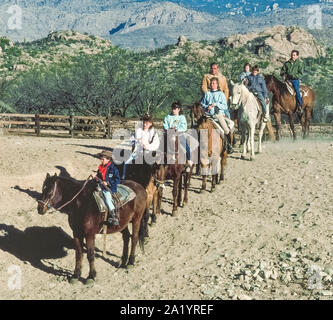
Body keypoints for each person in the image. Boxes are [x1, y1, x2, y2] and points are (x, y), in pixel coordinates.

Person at [201, 77, 234, 154]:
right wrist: (207, 106)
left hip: (218, 115)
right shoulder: (207, 94)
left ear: (217, 85)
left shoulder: (221, 94)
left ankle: (229, 145)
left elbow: (225, 106)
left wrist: (215, 104)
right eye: (211, 83)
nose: (212, 85)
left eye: (214, 83)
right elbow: (202, 104)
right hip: (208, 116)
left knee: (225, 130)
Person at [122, 113, 160, 179]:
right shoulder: (138, 131)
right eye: (144, 122)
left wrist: (147, 147)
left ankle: (157, 180)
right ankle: (124, 177)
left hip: (149, 152)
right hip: (137, 151)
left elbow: (156, 145)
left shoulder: (154, 134)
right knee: (127, 163)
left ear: (151, 123)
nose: (145, 124)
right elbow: (131, 139)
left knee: (157, 165)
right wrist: (135, 141)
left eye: (147, 123)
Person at [92, 150, 120, 226]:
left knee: (107, 198)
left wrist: (108, 183)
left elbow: (117, 180)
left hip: (109, 188)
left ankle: (114, 216)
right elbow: (99, 176)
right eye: (101, 159)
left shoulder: (113, 169)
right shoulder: (101, 167)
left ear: (108, 160)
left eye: (103, 159)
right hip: (100, 185)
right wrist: (95, 177)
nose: (101, 161)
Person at [163, 101, 193, 170]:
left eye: (175, 109)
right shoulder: (168, 117)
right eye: (173, 109)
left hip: (179, 134)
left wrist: (177, 131)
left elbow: (184, 127)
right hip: (169, 134)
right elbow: (165, 125)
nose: (173, 110)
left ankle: (188, 160)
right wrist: (169, 130)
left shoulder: (182, 117)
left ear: (179, 109)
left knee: (186, 146)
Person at [280, 49, 304, 115]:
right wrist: (283, 74)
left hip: (295, 80)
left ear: (297, 56)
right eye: (292, 55)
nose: (292, 56)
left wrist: (293, 75)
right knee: (279, 89)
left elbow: (301, 74)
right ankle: (277, 105)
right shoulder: (287, 63)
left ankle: (300, 105)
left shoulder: (299, 64)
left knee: (297, 90)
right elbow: (282, 71)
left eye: (294, 55)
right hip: (287, 80)